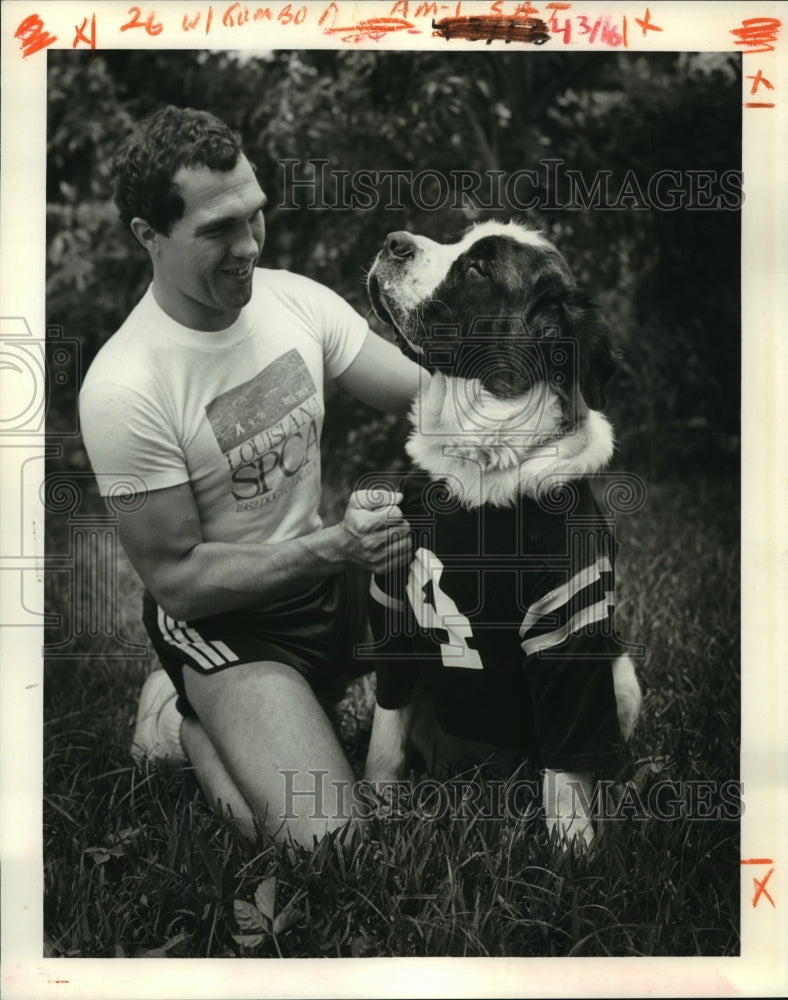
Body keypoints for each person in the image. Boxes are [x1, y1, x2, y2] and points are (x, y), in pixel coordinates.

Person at [78, 106, 423, 848]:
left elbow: (429, 398)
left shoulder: (294, 300)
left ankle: (289, 708)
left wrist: (535, 380)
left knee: (482, 604)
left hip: (331, 584)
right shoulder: (125, 386)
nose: (247, 247)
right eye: (216, 230)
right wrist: (336, 549)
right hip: (230, 626)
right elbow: (179, 581)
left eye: (254, 216)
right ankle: (188, 717)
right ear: (149, 235)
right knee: (334, 848)